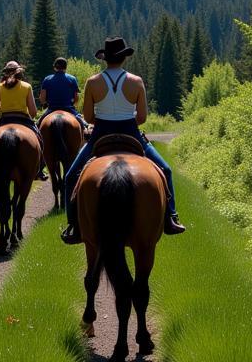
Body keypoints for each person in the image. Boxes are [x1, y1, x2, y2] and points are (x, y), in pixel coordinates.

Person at [60, 36, 185, 245]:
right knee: (165, 170)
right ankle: (170, 217)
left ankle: (73, 225)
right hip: (130, 132)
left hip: (101, 133)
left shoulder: (93, 82)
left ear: (105, 59)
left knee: (72, 176)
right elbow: (142, 117)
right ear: (124, 58)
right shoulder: (136, 82)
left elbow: (89, 117)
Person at [0, 60, 48, 185]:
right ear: (19, 73)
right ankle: (40, 168)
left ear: (5, 73)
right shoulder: (27, 86)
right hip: (24, 120)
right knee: (39, 138)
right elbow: (33, 112)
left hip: (4, 120)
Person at [37, 57, 88, 129]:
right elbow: (76, 99)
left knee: (37, 125)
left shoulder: (47, 79)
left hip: (51, 108)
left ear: (54, 67)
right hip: (69, 109)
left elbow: (42, 99)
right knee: (84, 125)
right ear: (66, 67)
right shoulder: (72, 79)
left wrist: (47, 102)